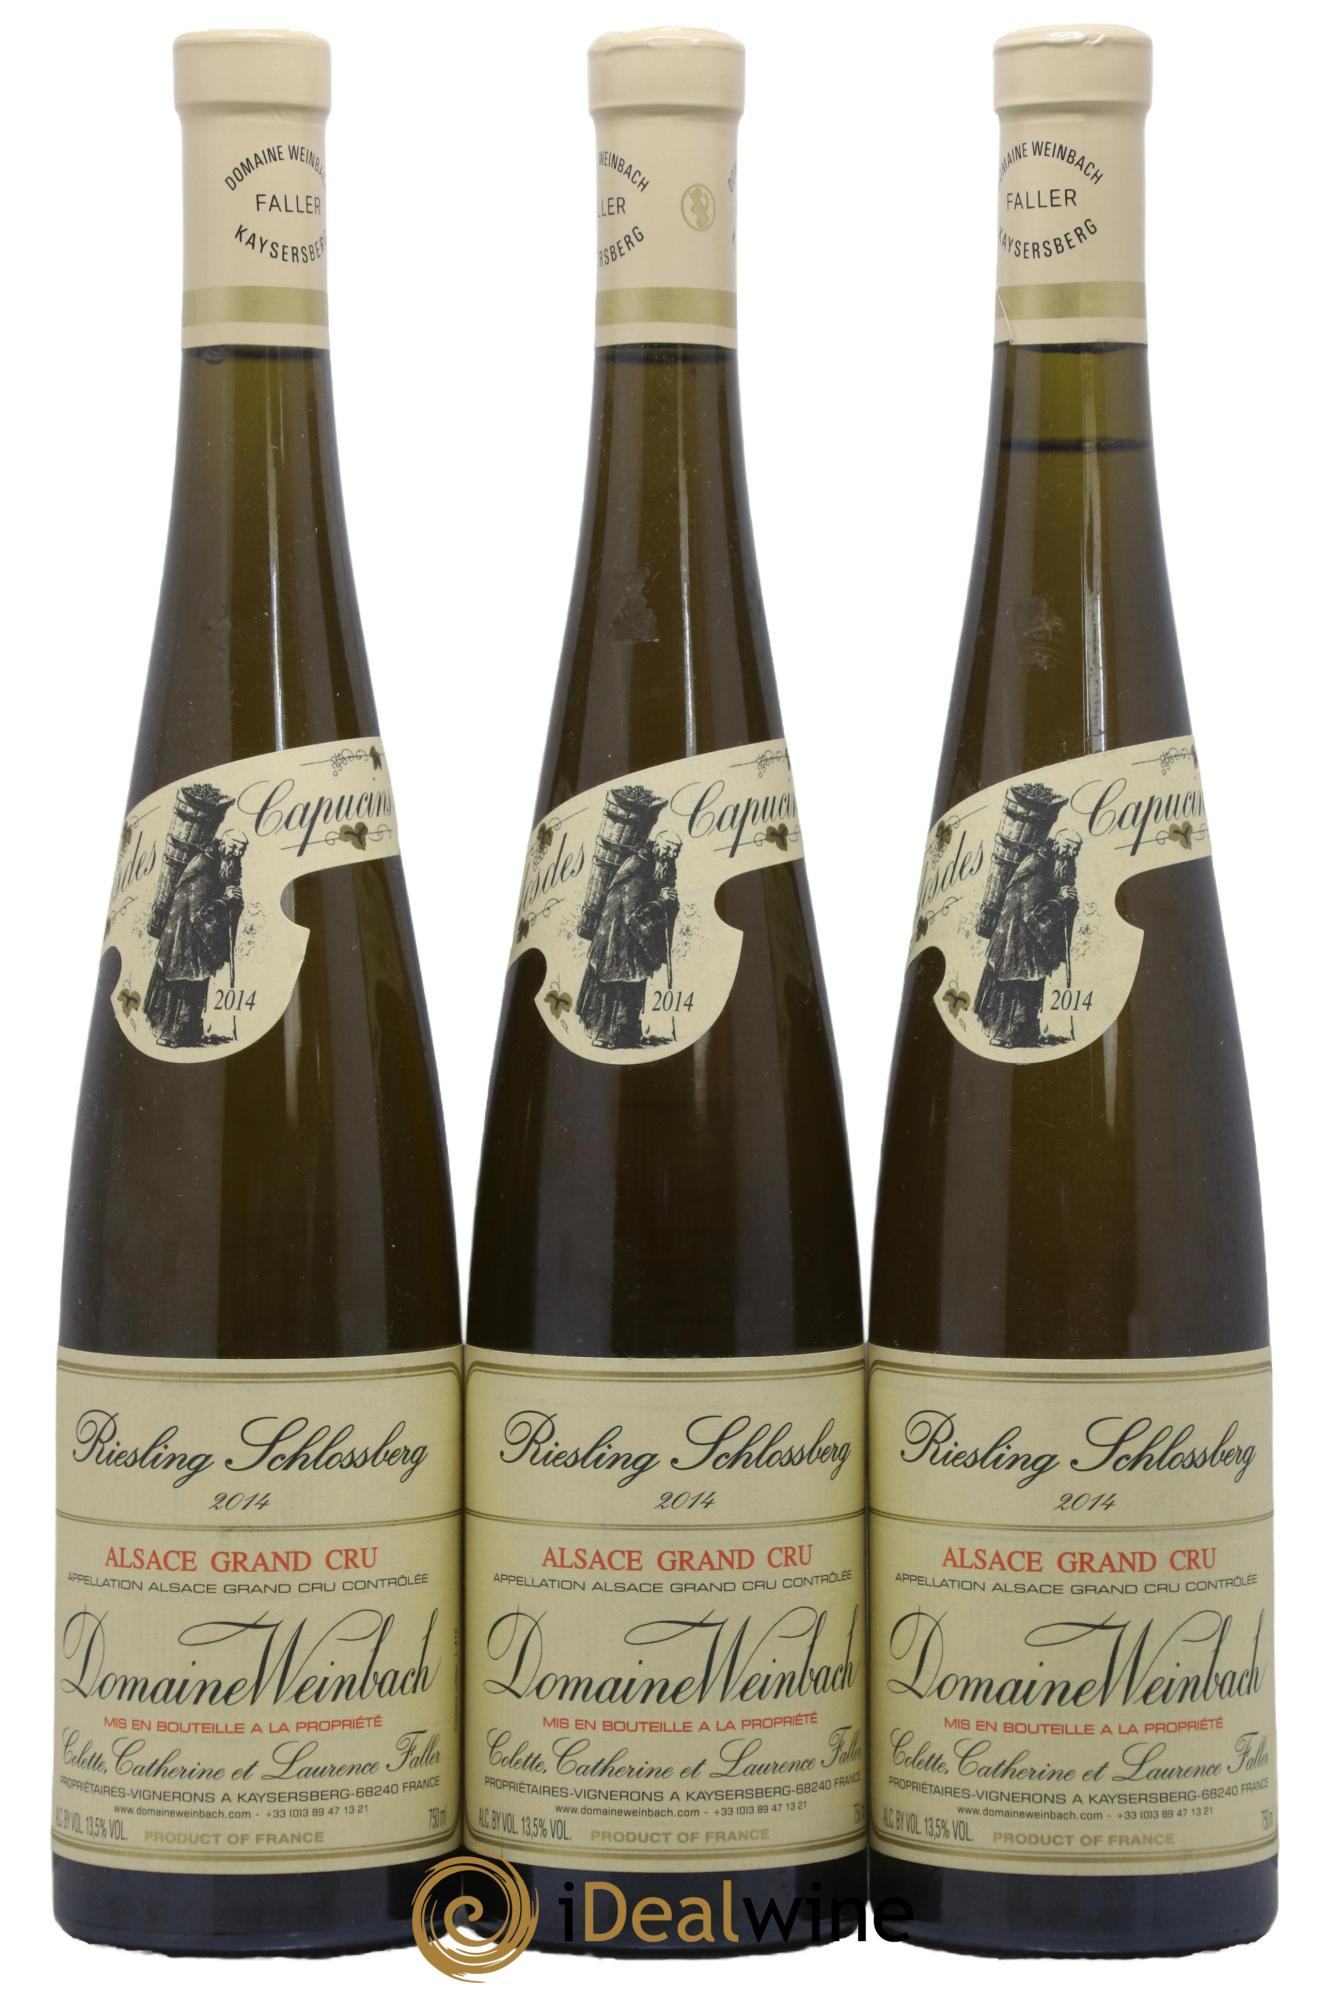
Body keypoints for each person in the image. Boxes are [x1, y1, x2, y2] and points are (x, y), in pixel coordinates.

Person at [576, 827, 683, 1049]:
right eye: (670, 850)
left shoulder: (659, 866)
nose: (672, 856)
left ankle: (628, 1034)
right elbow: (633, 913)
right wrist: (660, 902)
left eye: (676, 852)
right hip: (616, 939)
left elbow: (660, 900)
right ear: (658, 846)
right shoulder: (638, 868)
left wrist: (668, 902)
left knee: (633, 985)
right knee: (614, 986)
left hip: (632, 940)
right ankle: (603, 1035)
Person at [974, 829, 1082, 1048]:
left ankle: (1026, 1034)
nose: (1072, 854)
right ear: (1058, 845)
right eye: (1069, 848)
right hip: (1015, 938)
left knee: (1031, 984)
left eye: (1076, 851)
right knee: (1014, 985)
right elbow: (1030, 911)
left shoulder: (1058, 864)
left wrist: (1068, 901)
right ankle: (1003, 1034)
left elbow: (1057, 899)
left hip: (1029, 939)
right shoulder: (1037, 866)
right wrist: (1060, 901)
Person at [144, 829, 248, 1048]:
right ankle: (169, 1034)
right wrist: (225, 900)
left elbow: (227, 898)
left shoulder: (224, 864)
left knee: (195, 985)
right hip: (183, 938)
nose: (237, 854)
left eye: (241, 850)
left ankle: (189, 1034)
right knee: (181, 986)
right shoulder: (203, 867)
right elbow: (197, 913)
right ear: (223, 845)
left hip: (197, 940)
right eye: (234, 848)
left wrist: (233, 901)